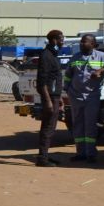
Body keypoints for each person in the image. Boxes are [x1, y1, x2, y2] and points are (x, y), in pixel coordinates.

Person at [64, 34, 104, 163]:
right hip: (76, 96)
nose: (82, 44)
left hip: (92, 97)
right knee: (77, 125)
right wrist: (67, 89)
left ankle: (91, 153)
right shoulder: (75, 57)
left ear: (93, 44)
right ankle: (80, 153)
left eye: (85, 42)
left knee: (90, 125)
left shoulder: (102, 56)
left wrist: (103, 69)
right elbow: (68, 75)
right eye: (81, 42)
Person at [35, 29, 65, 167]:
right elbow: (42, 82)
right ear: (54, 40)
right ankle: (42, 158)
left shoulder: (53, 55)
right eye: (61, 39)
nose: (62, 41)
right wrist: (48, 101)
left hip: (54, 97)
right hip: (50, 98)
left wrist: (60, 98)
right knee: (48, 127)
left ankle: (45, 155)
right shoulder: (46, 55)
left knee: (50, 128)